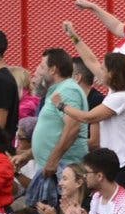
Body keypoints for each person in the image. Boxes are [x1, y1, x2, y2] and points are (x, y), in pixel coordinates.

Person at [53, 52, 125, 194]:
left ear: (112, 74)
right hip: (118, 162)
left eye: (103, 69)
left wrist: (61, 106)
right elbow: (90, 60)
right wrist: (74, 36)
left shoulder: (120, 97)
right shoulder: (114, 92)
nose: (99, 72)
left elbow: (88, 117)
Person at [31, 47, 89, 205]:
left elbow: (73, 127)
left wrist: (52, 160)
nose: (38, 70)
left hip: (64, 170)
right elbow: (54, 132)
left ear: (53, 69)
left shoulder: (68, 90)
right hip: (57, 169)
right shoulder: (56, 91)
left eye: (42, 66)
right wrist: (27, 155)